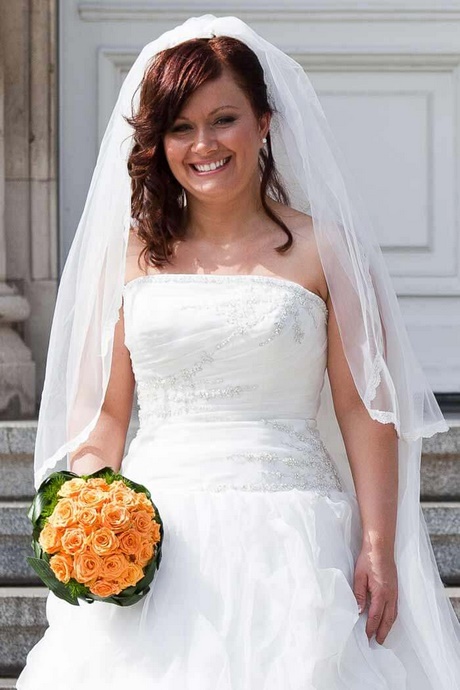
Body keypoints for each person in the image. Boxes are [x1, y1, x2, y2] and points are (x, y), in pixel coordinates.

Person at [17, 14, 460, 690]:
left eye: (223, 119)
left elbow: (363, 406)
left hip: (293, 538)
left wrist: (378, 542)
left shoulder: (324, 249)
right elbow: (106, 415)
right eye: (180, 127)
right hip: (159, 538)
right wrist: (87, 509)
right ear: (158, 141)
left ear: (265, 123)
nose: (203, 145)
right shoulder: (131, 254)